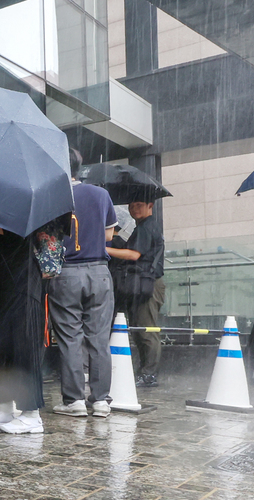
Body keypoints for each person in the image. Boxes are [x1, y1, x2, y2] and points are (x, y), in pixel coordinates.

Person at [48, 152, 118, 416]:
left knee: (70, 337)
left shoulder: (54, 195)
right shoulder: (100, 194)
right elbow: (110, 233)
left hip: (66, 272)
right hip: (100, 271)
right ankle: (100, 400)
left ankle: (74, 400)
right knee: (99, 337)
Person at [0, 225, 55, 435]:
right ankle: (2, 406)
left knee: (24, 344)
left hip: (24, 280)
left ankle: (31, 413)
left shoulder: (32, 203)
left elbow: (22, 233)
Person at [106, 199, 166, 388]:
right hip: (141, 284)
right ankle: (145, 372)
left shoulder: (146, 227)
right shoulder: (141, 227)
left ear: (151, 205)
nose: (134, 209)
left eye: (139, 205)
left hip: (148, 283)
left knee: (146, 330)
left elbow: (134, 255)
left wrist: (104, 249)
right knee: (139, 329)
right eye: (131, 206)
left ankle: (149, 374)